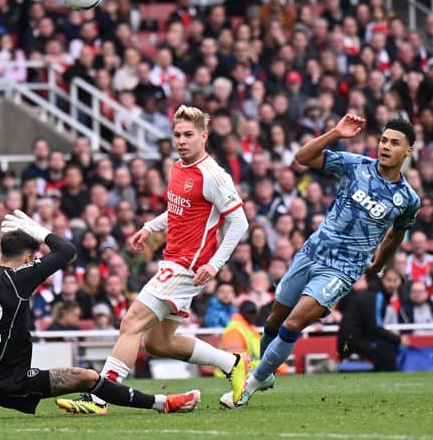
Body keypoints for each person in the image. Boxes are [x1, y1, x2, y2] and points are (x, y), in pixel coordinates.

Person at [0, 213, 200, 419]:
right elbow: (67, 250)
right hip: (11, 385)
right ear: (28, 258)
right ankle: (163, 403)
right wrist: (39, 230)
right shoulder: (19, 278)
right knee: (87, 377)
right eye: (35, 257)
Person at [58, 105, 249, 414]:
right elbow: (178, 210)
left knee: (131, 322)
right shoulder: (177, 166)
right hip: (172, 260)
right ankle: (233, 363)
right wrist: (150, 226)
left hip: (187, 266)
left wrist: (215, 265)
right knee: (159, 343)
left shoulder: (214, 175)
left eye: (189, 135)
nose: (182, 141)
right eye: (177, 135)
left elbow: (239, 222)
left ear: (204, 136)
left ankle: (97, 398)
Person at [221, 116, 420, 408]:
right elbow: (303, 158)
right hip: (311, 252)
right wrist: (336, 133)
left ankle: (247, 387)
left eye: (394, 143)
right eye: (383, 140)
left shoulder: (408, 199)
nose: (386, 147)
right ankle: (266, 372)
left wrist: (378, 264)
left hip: (342, 269)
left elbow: (395, 236)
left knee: (293, 323)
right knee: (274, 319)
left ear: (408, 151)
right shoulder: (356, 164)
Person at [338, 268, 408, 370]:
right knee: (387, 354)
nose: (391, 285)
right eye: (388, 280)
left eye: (395, 281)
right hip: (352, 343)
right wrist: (398, 339)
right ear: (382, 280)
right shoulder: (376, 295)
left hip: (351, 340)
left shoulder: (374, 293)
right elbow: (375, 328)